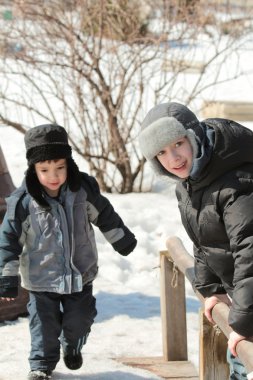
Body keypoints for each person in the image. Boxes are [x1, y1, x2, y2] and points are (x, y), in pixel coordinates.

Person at [0, 124, 137, 380]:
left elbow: (105, 215)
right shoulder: (24, 201)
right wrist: (7, 275)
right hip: (41, 280)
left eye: (60, 168)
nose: (53, 176)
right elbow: (8, 238)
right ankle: (40, 366)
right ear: (33, 169)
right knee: (43, 325)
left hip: (79, 275)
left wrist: (121, 239)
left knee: (79, 319)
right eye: (44, 170)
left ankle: (73, 344)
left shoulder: (82, 190)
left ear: (68, 163)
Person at [138, 101, 253, 380]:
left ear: (194, 136)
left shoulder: (237, 182)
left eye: (178, 143)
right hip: (241, 299)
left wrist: (245, 322)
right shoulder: (191, 182)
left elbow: (250, 250)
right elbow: (205, 240)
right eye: (161, 152)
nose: (173, 157)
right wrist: (212, 289)